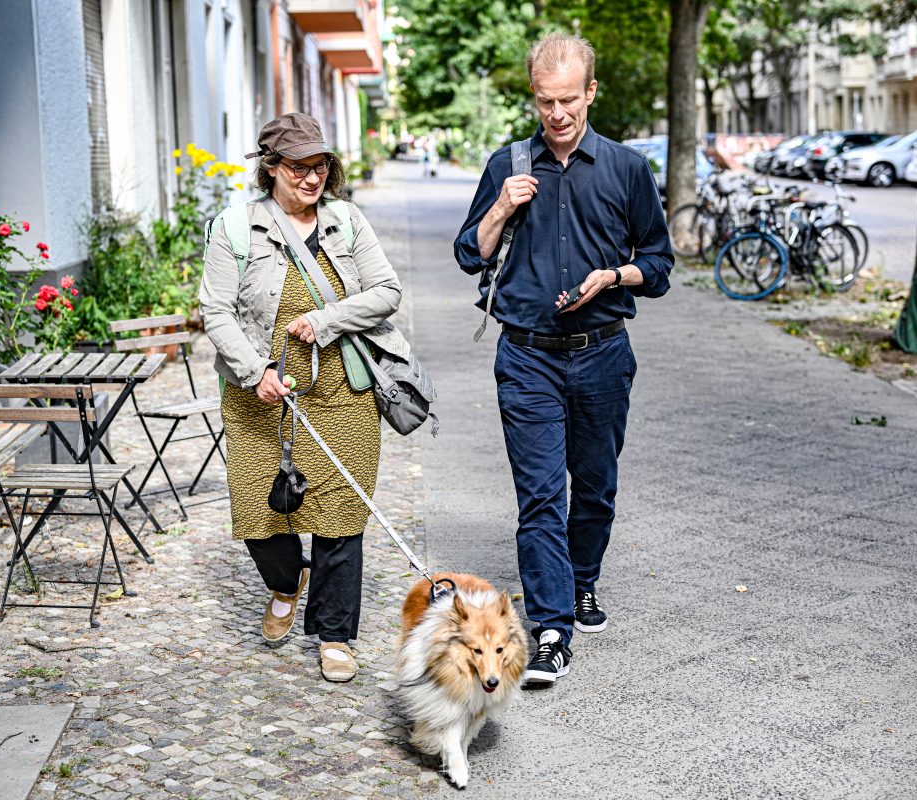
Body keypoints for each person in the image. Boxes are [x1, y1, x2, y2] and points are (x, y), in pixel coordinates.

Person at [453, 33, 673, 685]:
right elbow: (471, 252)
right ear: (534, 96)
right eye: (546, 101)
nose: (557, 114)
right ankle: (552, 627)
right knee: (542, 495)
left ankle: (582, 581)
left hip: (604, 353)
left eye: (569, 100)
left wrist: (614, 276)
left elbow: (659, 265)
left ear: (591, 93)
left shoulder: (627, 169)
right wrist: (501, 205)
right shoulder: (508, 165)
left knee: (596, 489)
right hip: (526, 358)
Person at [200, 113, 410, 683]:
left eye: (319, 166)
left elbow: (387, 291)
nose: (312, 178)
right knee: (259, 514)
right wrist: (254, 370)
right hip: (257, 398)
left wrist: (326, 318)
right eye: (298, 167)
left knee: (341, 515)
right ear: (271, 169)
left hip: (342, 391)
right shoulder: (235, 229)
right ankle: (285, 580)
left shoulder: (346, 221)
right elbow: (215, 310)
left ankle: (335, 634)